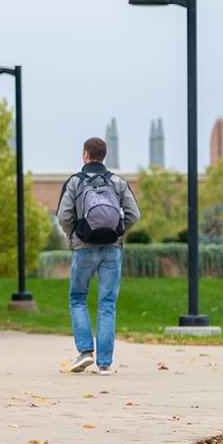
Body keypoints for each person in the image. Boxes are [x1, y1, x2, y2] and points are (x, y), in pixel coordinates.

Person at [55, 137, 140, 376]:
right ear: (104, 156)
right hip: (112, 249)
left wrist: (74, 235)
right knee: (107, 304)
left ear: (85, 155)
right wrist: (118, 233)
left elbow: (63, 216)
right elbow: (134, 214)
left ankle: (85, 352)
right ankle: (105, 364)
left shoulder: (75, 182)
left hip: (83, 248)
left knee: (78, 298)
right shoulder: (117, 182)